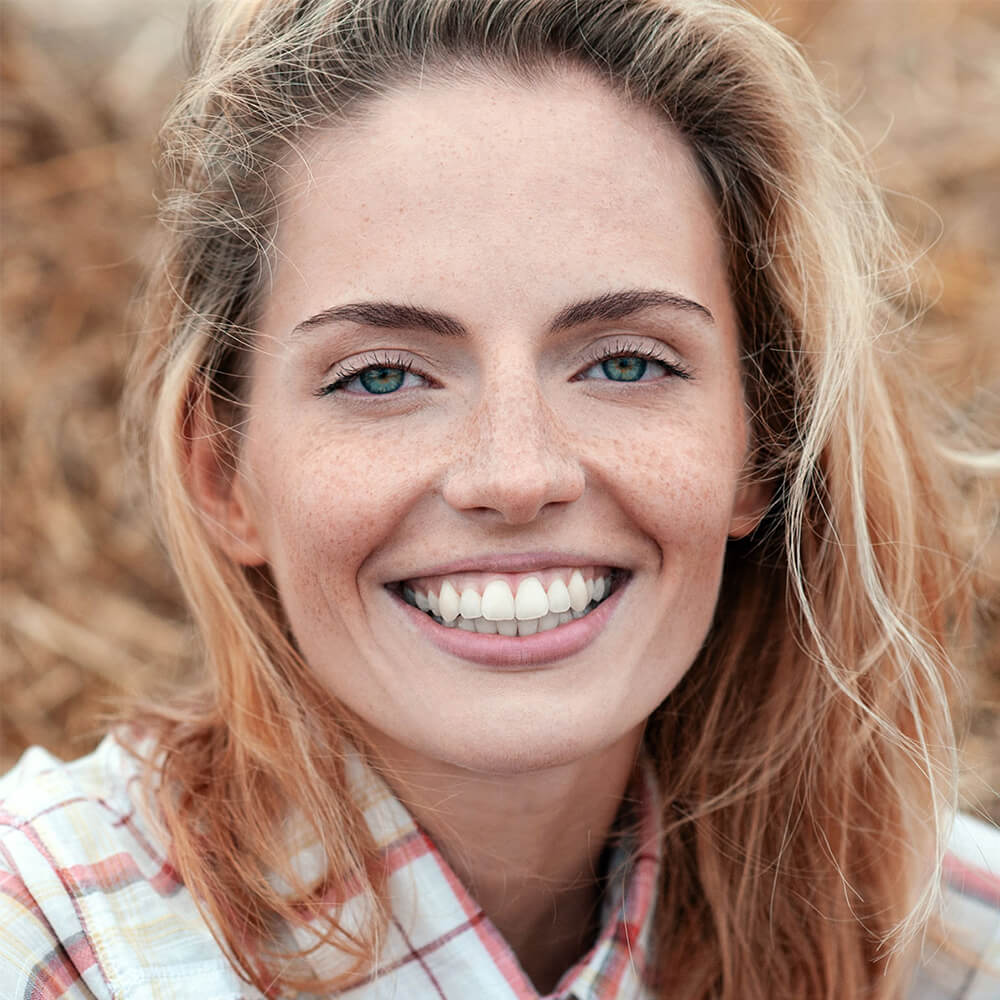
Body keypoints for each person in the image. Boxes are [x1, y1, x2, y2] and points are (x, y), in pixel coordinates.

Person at [1, 0, 997, 997]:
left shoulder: (942, 946)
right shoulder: (50, 942)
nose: (515, 476)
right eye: (381, 377)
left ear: (761, 445)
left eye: (625, 362)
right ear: (224, 473)